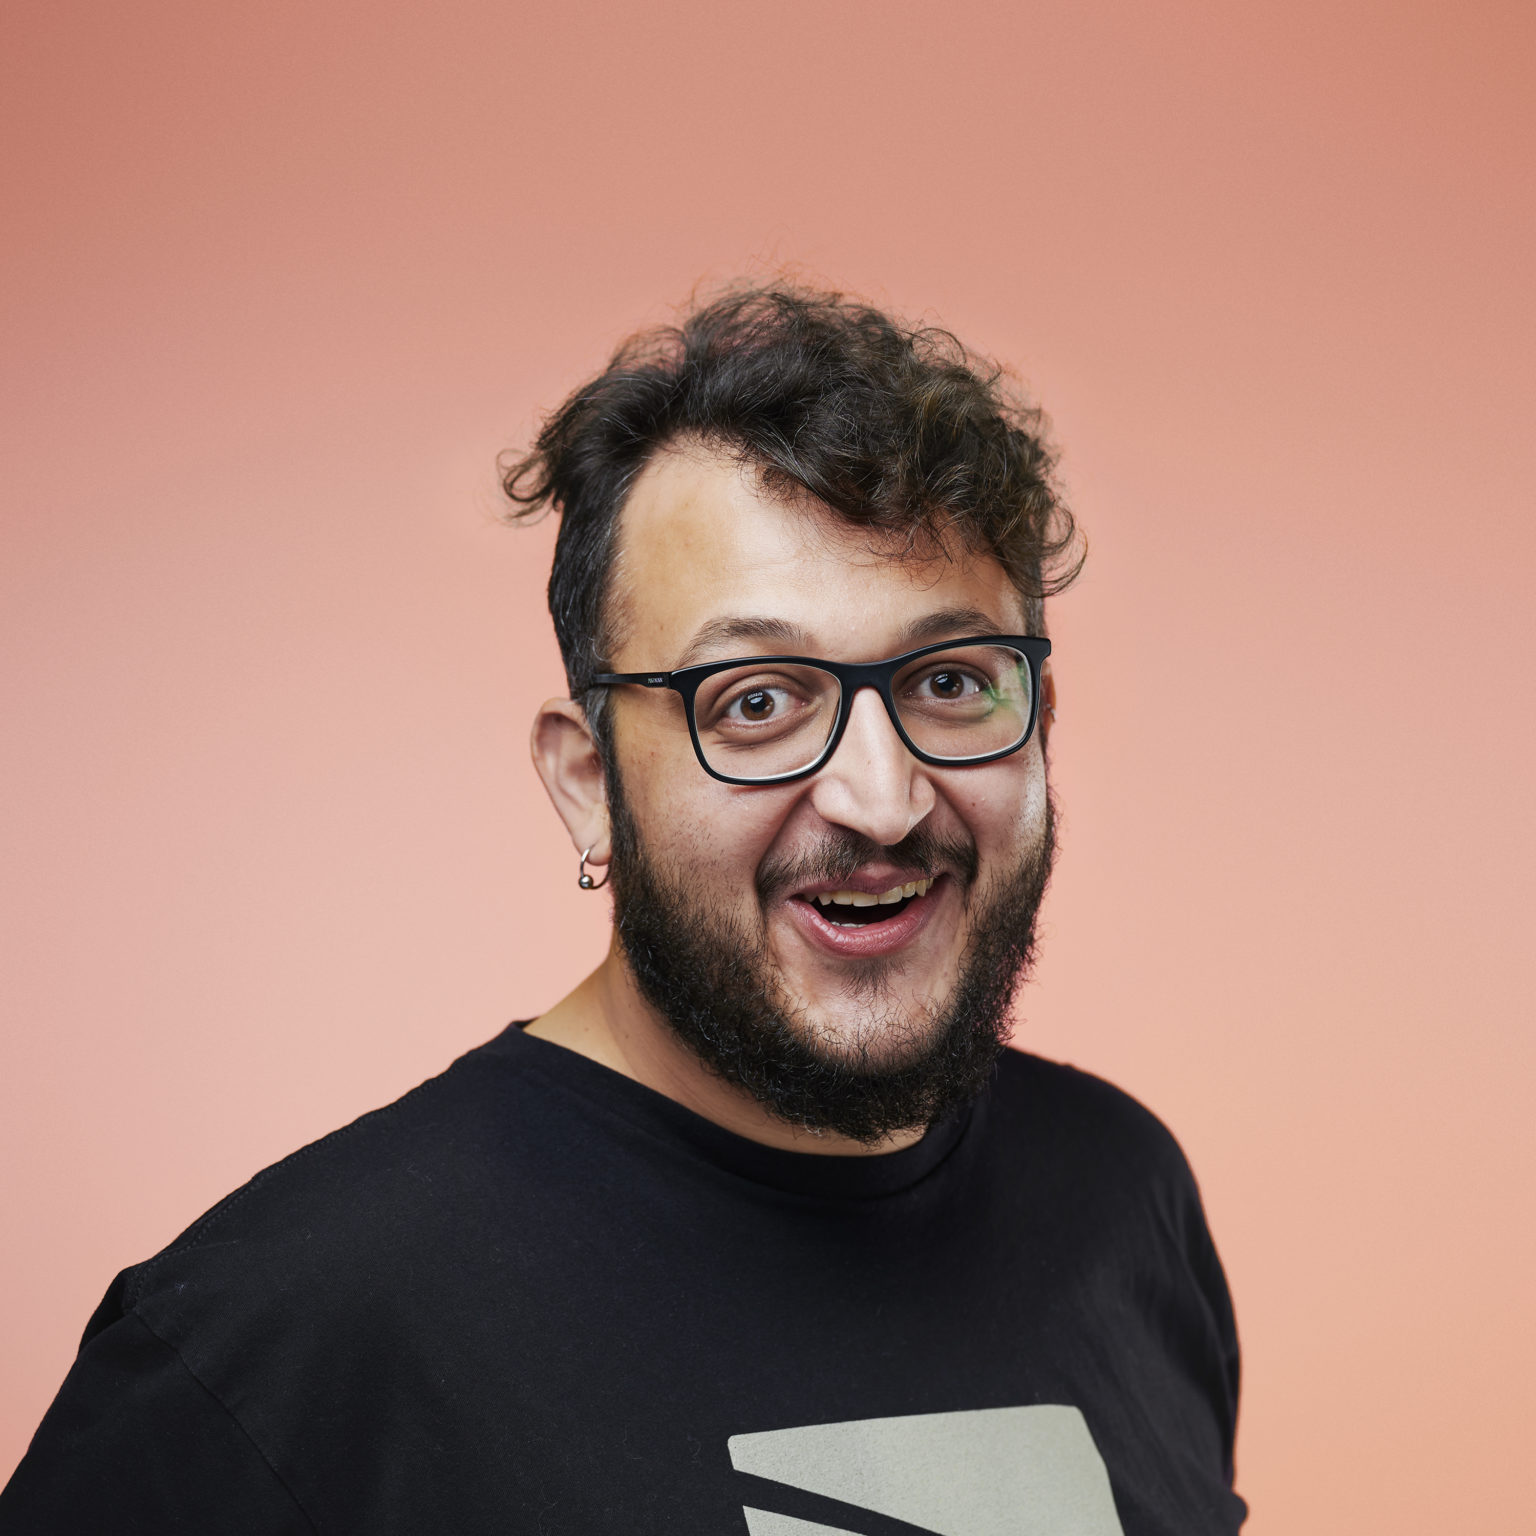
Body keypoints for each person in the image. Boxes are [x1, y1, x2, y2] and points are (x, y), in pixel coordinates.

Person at [0, 285, 1246, 1534]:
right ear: (589, 784)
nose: (882, 799)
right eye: (756, 702)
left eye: (952, 682)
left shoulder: (1120, 1197)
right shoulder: (282, 1343)